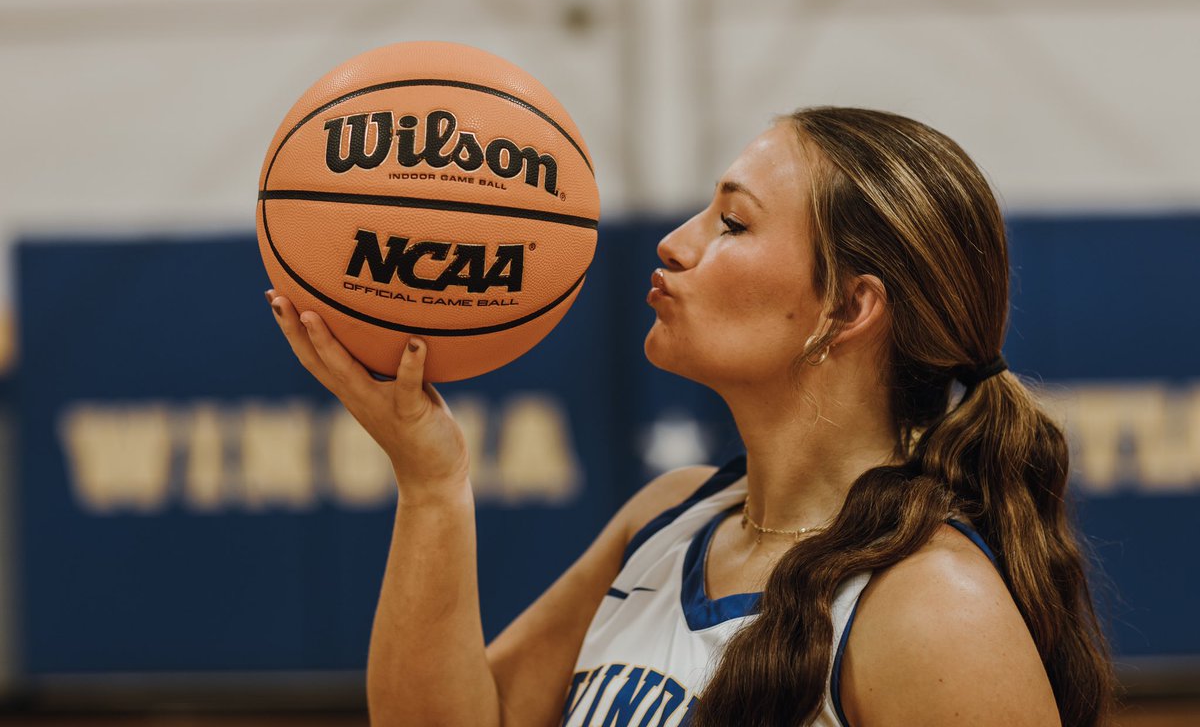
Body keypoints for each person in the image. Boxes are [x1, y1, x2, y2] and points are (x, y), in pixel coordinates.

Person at [266, 106, 1114, 727]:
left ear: (850, 309)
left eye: (732, 223)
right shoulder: (670, 518)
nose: (674, 242)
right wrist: (430, 480)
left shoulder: (932, 608)